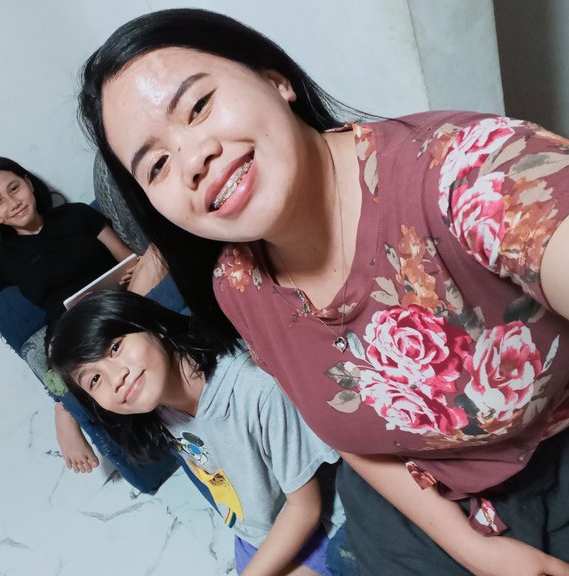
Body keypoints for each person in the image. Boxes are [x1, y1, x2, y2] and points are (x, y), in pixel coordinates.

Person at [76, 8, 569, 576]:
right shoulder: (237, 284)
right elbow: (355, 436)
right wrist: (473, 549)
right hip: (415, 507)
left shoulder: (470, 174)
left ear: (274, 79)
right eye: (157, 165)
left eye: (199, 105)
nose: (193, 160)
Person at [48, 290, 345, 576]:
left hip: (318, 528)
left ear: (152, 325)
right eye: (95, 379)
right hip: (254, 534)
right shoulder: (157, 406)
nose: (117, 378)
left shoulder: (254, 389)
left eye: (115, 348)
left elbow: (305, 509)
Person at [0, 156, 160, 473]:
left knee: (156, 257)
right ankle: (67, 409)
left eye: (14, 188)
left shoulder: (77, 215)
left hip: (118, 301)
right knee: (72, 347)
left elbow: (128, 259)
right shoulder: (3, 259)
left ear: (28, 183)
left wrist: (132, 273)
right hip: (69, 330)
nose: (13, 203)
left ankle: (69, 400)